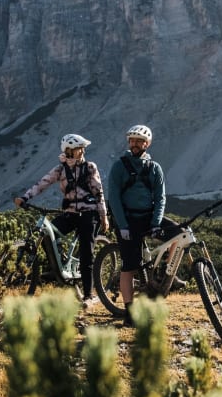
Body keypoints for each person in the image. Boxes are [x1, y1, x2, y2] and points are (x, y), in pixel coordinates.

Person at [14, 133, 109, 307]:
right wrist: (25, 197)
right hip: (70, 214)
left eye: (81, 149)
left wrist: (103, 216)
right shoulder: (60, 169)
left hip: (89, 214)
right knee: (47, 236)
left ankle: (88, 295)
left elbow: (98, 192)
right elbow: (42, 183)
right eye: (78, 149)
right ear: (69, 151)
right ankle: (59, 266)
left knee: (87, 254)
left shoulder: (89, 167)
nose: (82, 152)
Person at [107, 124, 181, 326]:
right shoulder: (119, 166)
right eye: (132, 140)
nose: (135, 144)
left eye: (139, 141)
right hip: (128, 220)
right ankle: (130, 313)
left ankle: (165, 274)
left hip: (148, 218)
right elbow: (113, 198)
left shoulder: (154, 168)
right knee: (129, 267)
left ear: (147, 144)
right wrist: (122, 225)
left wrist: (156, 223)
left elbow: (160, 198)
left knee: (180, 235)